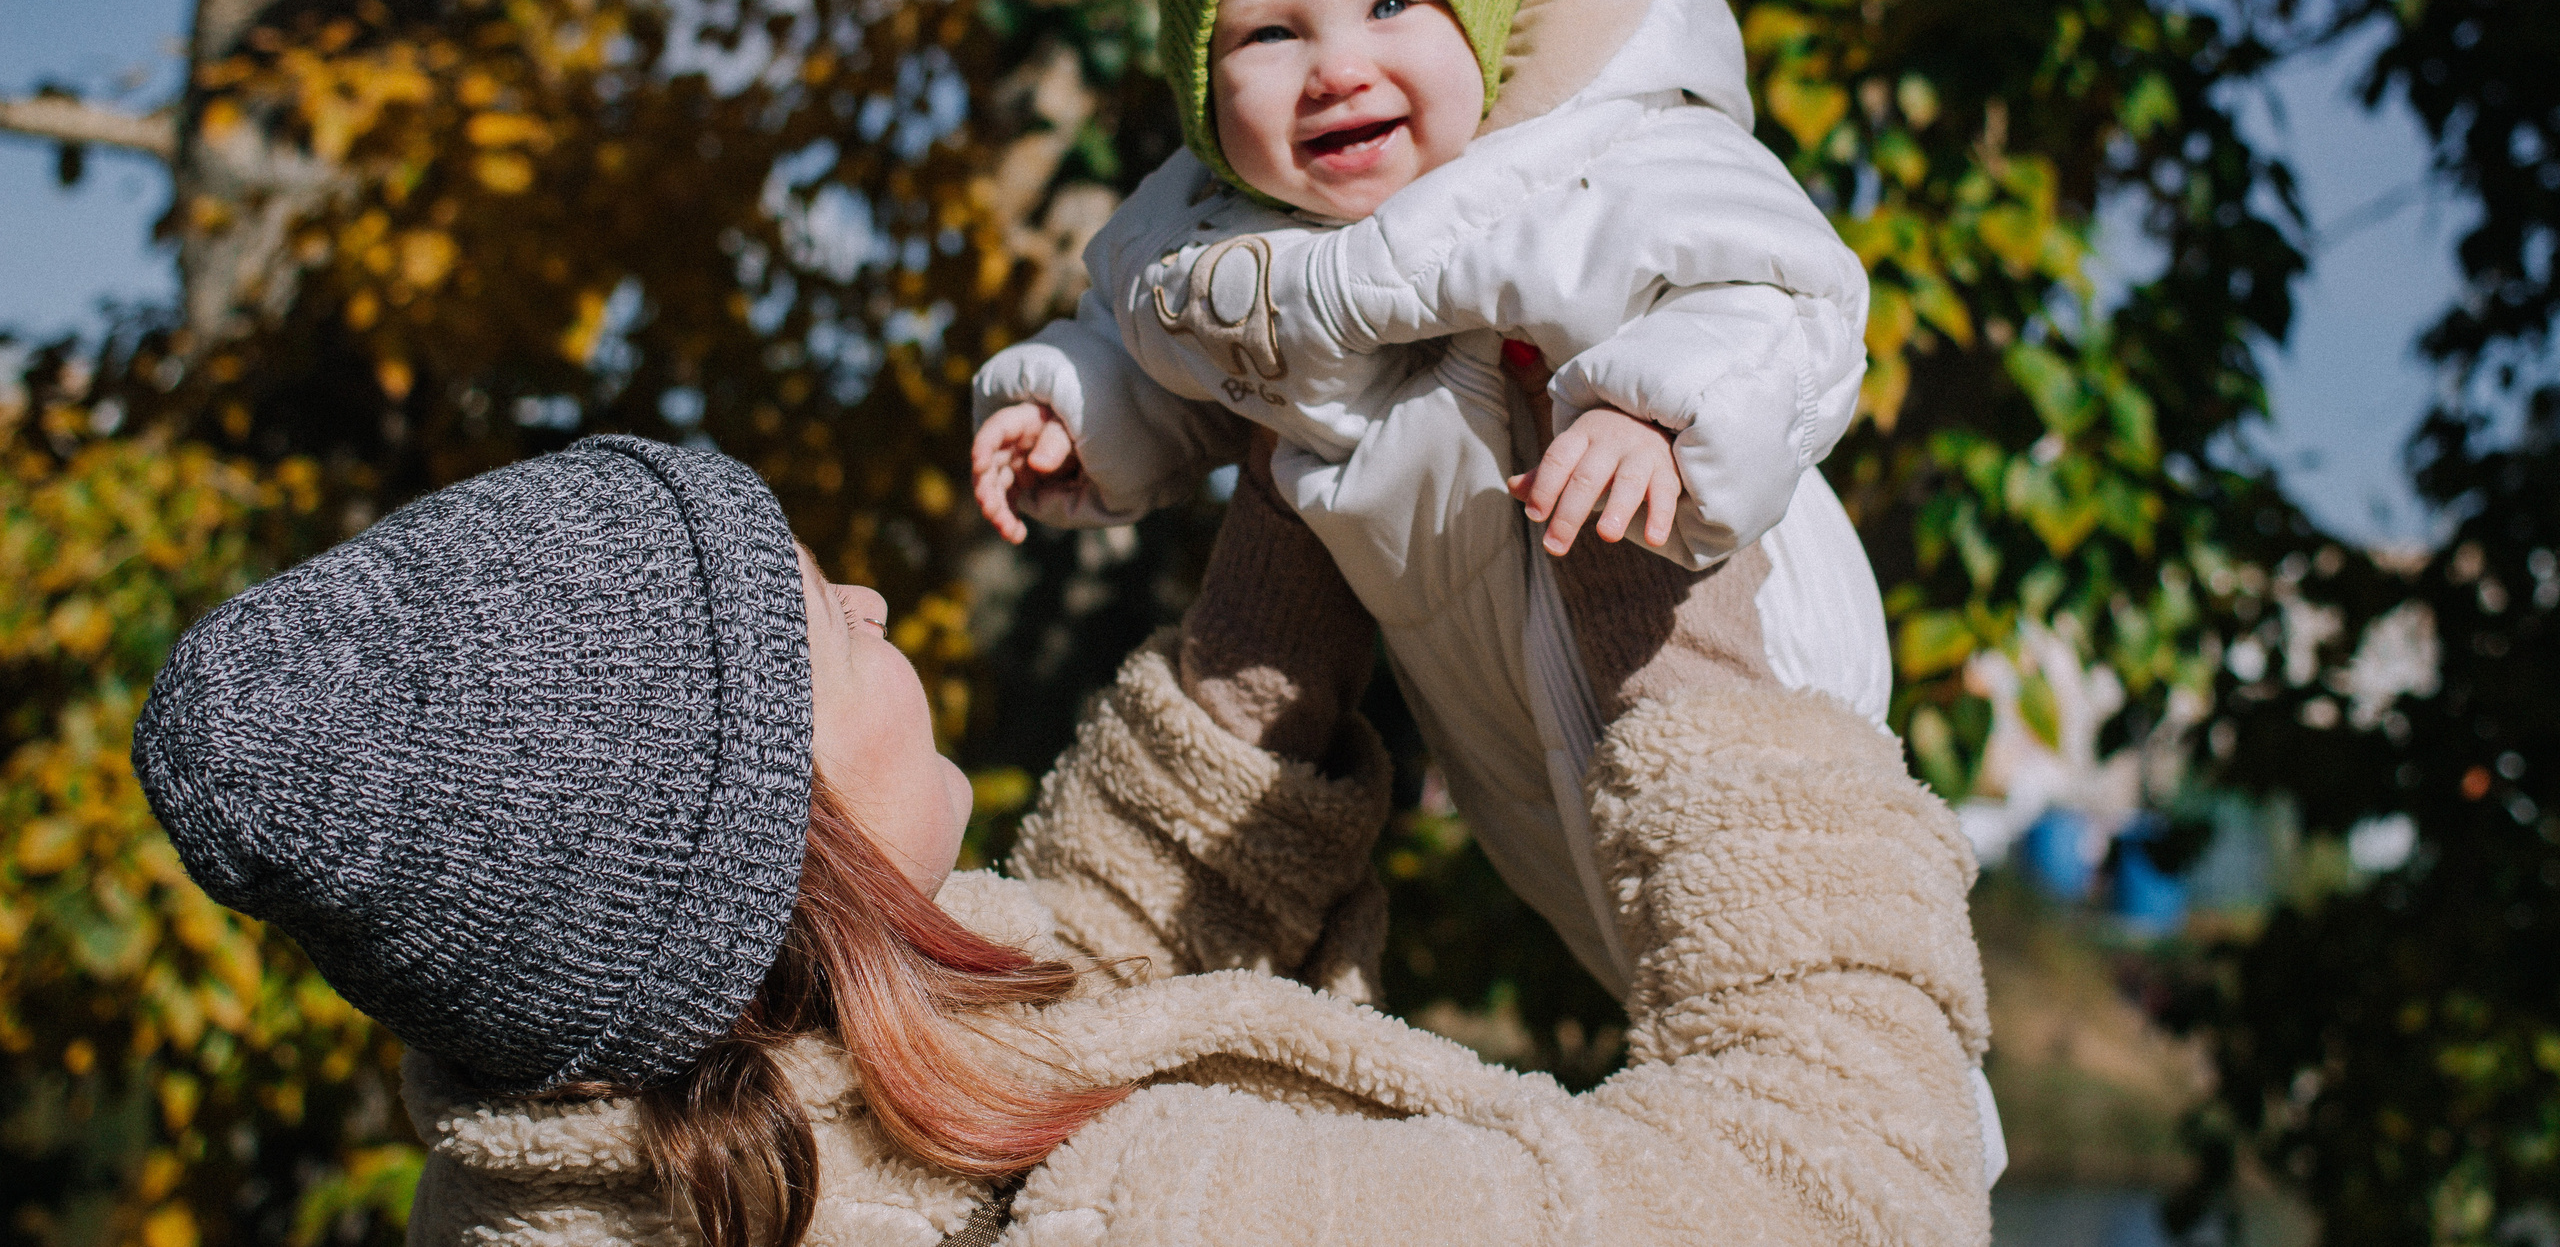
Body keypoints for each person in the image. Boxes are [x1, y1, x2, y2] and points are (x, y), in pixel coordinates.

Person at [134, 433, 1993, 1246]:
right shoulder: (1162, 1230)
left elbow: (1015, 1036)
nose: (867, 598)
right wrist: (1689, 678)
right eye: (807, 623)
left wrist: (1269, 608)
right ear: (769, 840)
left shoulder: (589, 1149)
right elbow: (1841, 1193)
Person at [969, 0, 1886, 999]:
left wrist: (1657, 410)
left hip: (1727, 657)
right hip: (1522, 751)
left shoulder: (1602, 151)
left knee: (1767, 961)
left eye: (1392, 7)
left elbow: (1788, 294)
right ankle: (1156, 955)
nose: (1337, 65)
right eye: (1270, 32)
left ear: (1477, 14)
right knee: (1286, 471)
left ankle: (1837, 1072)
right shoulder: (1218, 256)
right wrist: (1078, 415)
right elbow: (1158, 365)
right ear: (1210, 102)